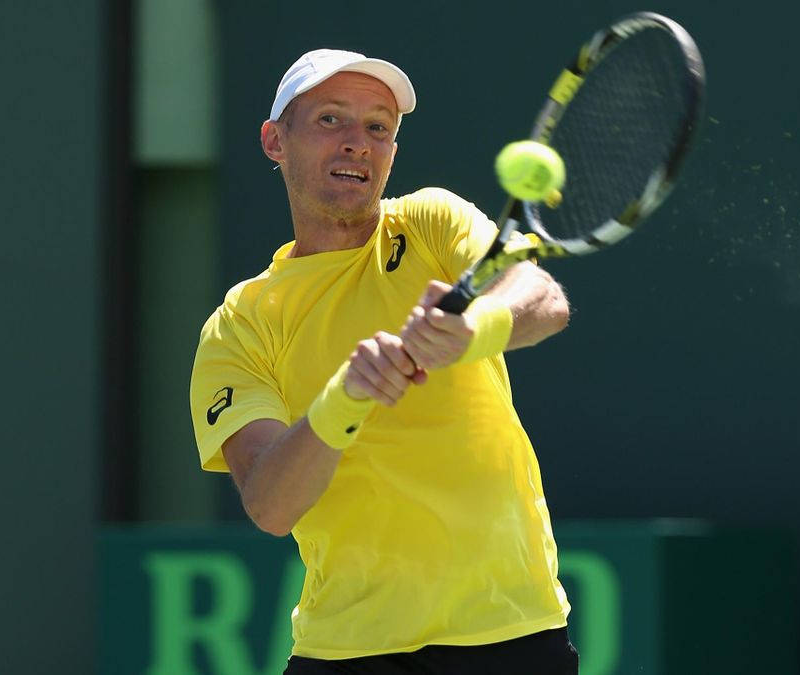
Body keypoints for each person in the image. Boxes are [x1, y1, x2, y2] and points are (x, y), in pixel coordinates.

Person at [189, 48, 577, 674]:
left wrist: (474, 329)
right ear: (273, 140)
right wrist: (344, 400)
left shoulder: (431, 221)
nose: (357, 144)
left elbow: (543, 299)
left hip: (510, 633)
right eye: (330, 120)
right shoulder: (240, 325)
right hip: (347, 651)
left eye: (378, 127)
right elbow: (270, 504)